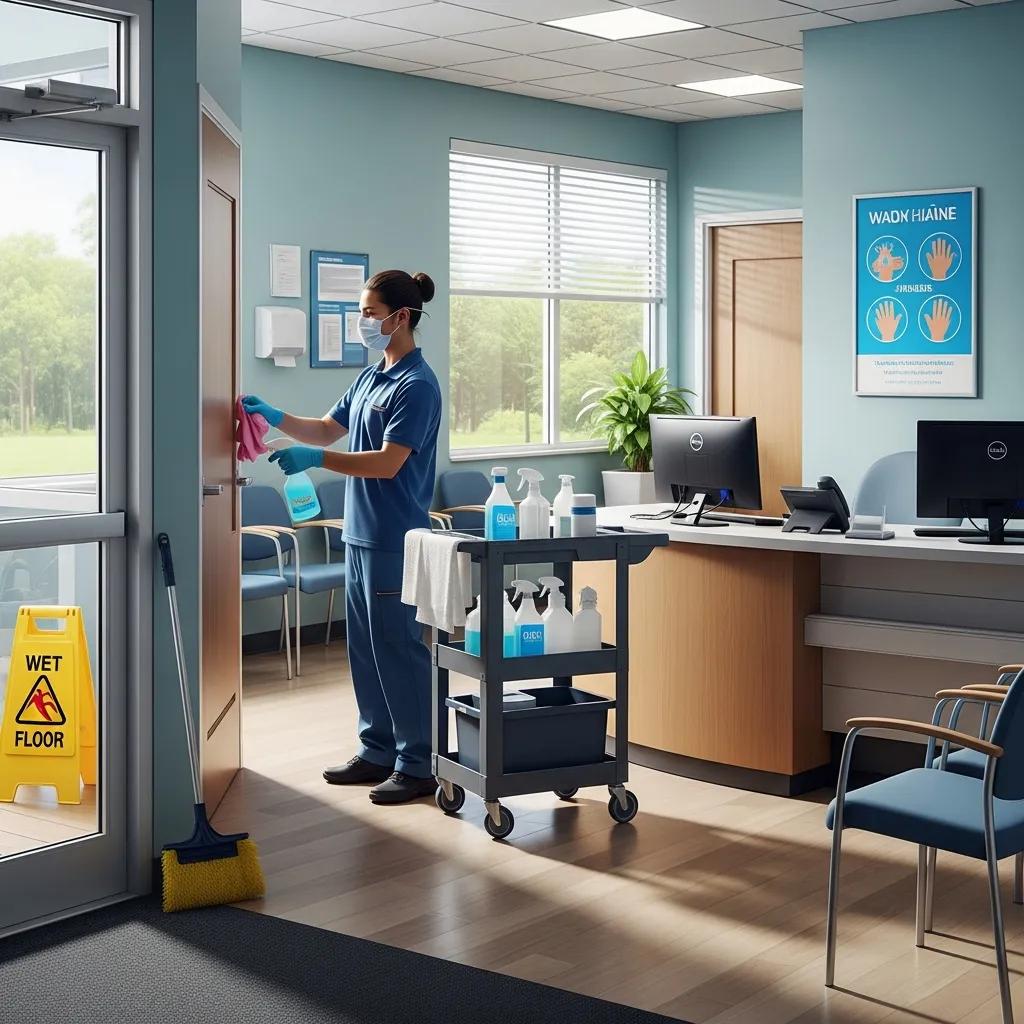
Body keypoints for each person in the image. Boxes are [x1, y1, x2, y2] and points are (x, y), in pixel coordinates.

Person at [242, 270, 441, 805]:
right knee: (365, 648)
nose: (363, 323)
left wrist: (317, 460)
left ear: (401, 316)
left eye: (370, 313)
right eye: (362, 313)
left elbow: (387, 463)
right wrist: (275, 415)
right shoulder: (372, 376)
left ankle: (418, 762)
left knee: (398, 648)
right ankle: (377, 750)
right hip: (359, 535)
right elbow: (328, 428)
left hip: (395, 538)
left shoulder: (417, 386)